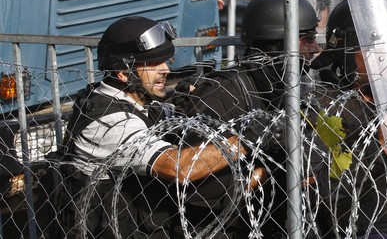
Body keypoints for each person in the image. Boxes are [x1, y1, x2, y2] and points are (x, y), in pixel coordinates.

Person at [62, 16, 248, 238]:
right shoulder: (111, 123)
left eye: (166, 61)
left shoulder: (133, 101)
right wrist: (248, 139)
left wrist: (190, 103)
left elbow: (171, 117)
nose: (166, 70)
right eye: (153, 64)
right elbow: (180, 168)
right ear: (123, 73)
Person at [178, 0, 322, 237]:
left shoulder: (289, 92)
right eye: (307, 39)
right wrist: (274, 171)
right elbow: (200, 192)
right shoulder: (222, 94)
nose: (316, 49)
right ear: (278, 42)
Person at [311, 0, 387, 239]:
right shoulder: (329, 103)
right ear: (348, 49)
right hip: (364, 228)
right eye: (372, 45)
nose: (383, 54)